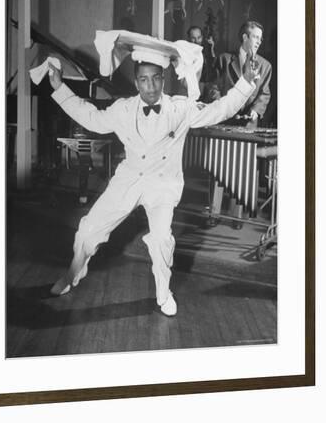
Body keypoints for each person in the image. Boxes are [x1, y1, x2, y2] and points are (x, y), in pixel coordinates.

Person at [48, 50, 258, 316]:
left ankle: (163, 293)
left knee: (160, 239)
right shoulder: (122, 109)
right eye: (144, 80)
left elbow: (219, 110)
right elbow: (91, 117)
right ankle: (71, 275)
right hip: (129, 179)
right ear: (136, 83)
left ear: (163, 80)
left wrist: (247, 83)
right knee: (88, 231)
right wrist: (59, 88)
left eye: (156, 79)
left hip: (163, 184)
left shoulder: (180, 108)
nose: (150, 86)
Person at [218, 20, 272, 127]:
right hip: (224, 122)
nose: (259, 42)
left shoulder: (266, 66)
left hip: (248, 125)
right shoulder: (224, 59)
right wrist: (221, 107)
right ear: (245, 37)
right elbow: (214, 88)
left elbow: (264, 94)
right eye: (256, 37)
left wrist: (255, 111)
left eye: (260, 38)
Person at [187, 25, 221, 102]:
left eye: (199, 38)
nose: (196, 41)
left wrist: (212, 48)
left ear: (202, 38)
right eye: (193, 38)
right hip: (191, 90)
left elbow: (214, 66)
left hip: (205, 87)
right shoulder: (185, 53)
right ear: (188, 38)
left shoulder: (203, 52)